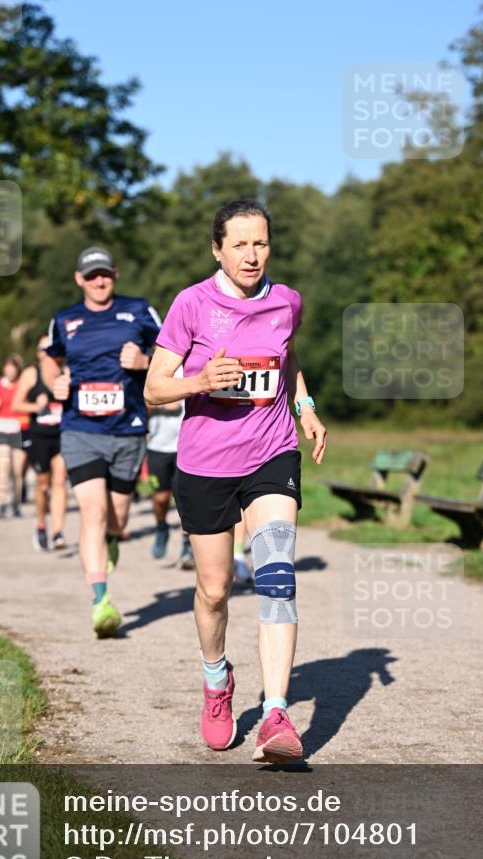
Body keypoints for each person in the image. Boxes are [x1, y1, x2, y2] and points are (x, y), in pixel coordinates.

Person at [144, 199, 327, 764]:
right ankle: (216, 678)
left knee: (276, 575)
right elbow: (154, 388)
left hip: (271, 454)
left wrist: (306, 406)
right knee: (215, 590)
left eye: (262, 243)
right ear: (217, 249)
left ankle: (275, 713)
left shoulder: (286, 301)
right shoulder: (191, 304)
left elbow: (287, 358)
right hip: (205, 464)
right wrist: (200, 380)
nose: (253, 255)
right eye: (241, 244)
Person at [41, 246, 162, 637]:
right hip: (81, 429)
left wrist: (145, 362)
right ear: (79, 278)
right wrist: (53, 381)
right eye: (91, 275)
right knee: (91, 512)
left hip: (128, 428)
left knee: (117, 518)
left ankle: (112, 537)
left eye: (105, 274)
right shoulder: (64, 320)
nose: (99, 281)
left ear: (115, 274)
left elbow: (173, 351)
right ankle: (101, 601)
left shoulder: (139, 310)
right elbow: (48, 357)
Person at [13, 335, 67, 551]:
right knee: (43, 484)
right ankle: (41, 524)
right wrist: (36, 406)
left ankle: (58, 533)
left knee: (60, 481)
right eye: (44, 348)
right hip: (39, 436)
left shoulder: (67, 373)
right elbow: (17, 404)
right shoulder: (30, 373)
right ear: (39, 352)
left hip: (62, 434)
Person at [146, 368, 193, 568]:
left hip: (187, 444)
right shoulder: (154, 367)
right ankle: (161, 527)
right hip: (157, 446)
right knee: (161, 497)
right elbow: (142, 402)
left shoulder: (194, 363)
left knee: (186, 497)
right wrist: (164, 401)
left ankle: (187, 545)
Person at [0, 355, 29, 518]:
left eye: (12, 368)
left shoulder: (23, 384)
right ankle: (2, 502)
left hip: (19, 429)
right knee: (3, 468)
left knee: (18, 471)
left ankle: (16, 503)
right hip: (2, 428)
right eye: (7, 368)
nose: (9, 371)